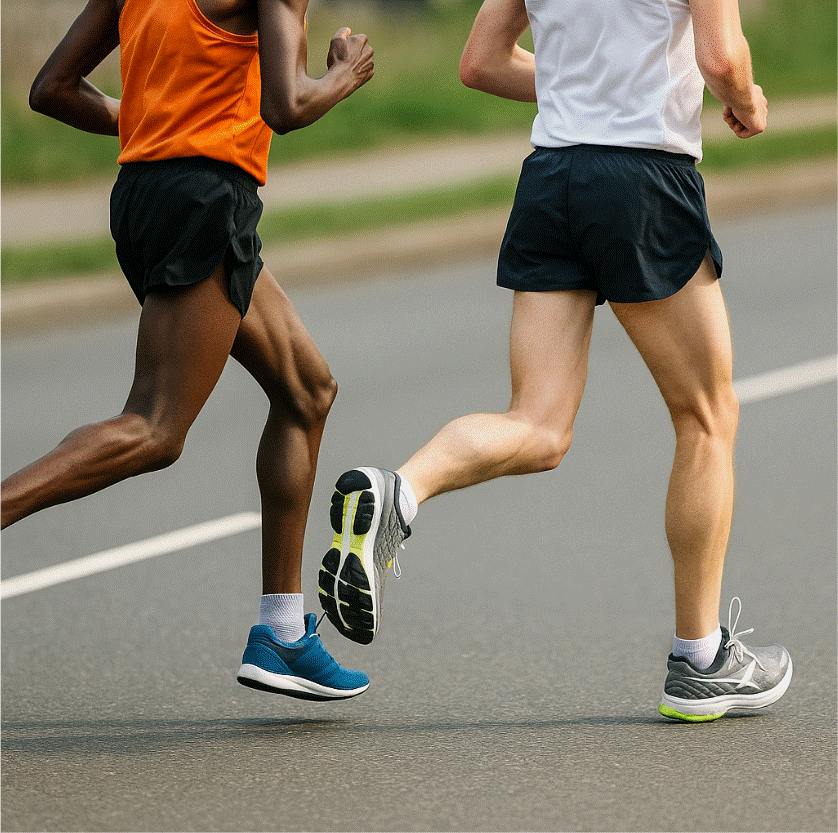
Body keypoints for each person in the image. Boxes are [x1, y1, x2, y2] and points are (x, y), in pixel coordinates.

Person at [317, 0, 793, 721]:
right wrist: (750, 102)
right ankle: (701, 659)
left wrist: (582, 85)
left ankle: (398, 493)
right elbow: (722, 59)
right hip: (642, 177)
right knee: (706, 415)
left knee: (536, 425)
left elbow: (479, 61)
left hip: (552, 178)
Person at [1, 0, 375, 701]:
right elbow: (287, 105)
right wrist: (344, 76)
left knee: (307, 389)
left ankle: (283, 633)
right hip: (206, 196)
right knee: (155, 427)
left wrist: (150, 115)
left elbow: (50, 88)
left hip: (146, 193)